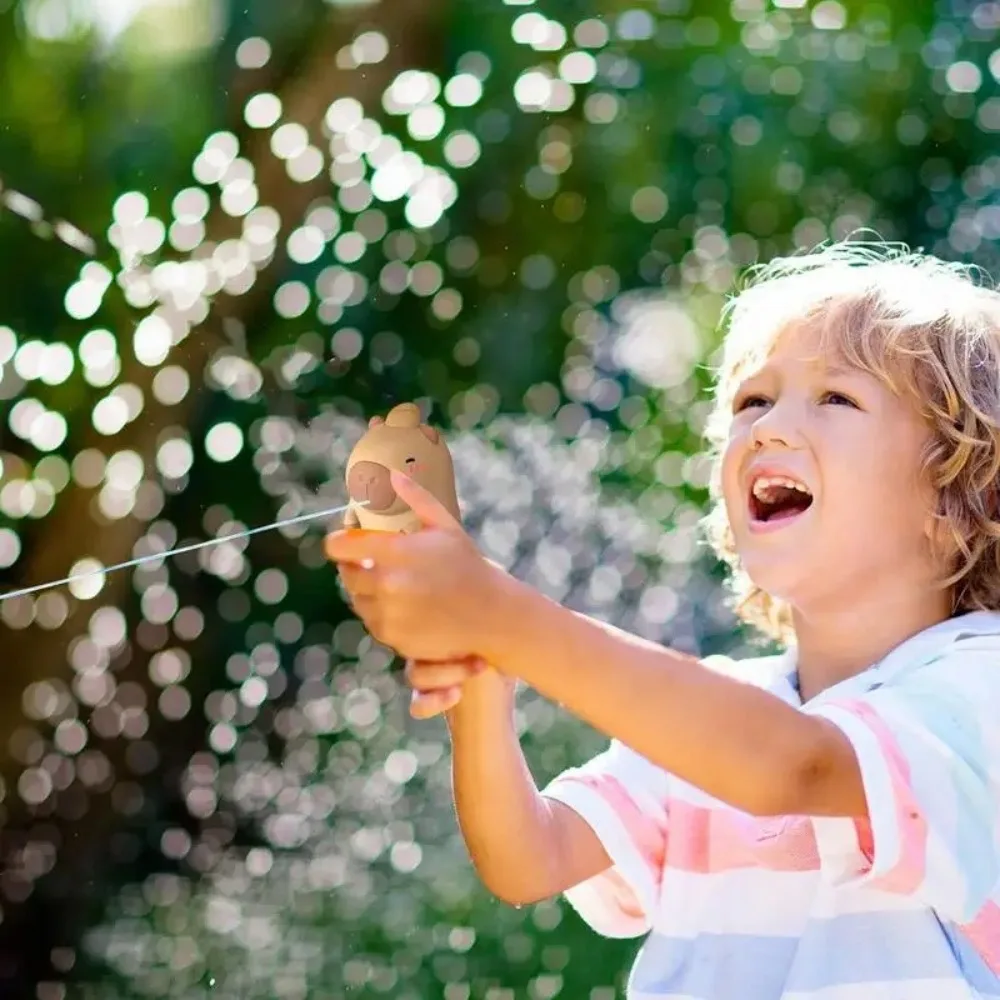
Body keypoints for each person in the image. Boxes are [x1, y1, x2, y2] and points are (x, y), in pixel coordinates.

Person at [325, 240, 1000, 999]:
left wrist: (504, 613)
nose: (769, 429)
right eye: (753, 401)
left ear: (957, 498)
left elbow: (794, 767)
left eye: (836, 398)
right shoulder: (711, 717)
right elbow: (530, 859)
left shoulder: (978, 690)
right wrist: (483, 679)